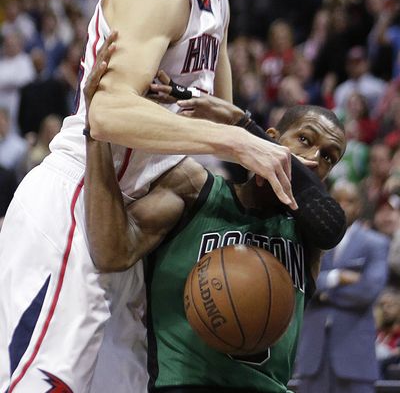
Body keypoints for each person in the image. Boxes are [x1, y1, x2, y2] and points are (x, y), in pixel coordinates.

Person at [0, 0, 302, 393]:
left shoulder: (217, 1)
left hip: (128, 224)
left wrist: (247, 137)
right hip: (74, 201)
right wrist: (231, 137)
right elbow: (108, 113)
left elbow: (217, 114)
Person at [83, 40, 347, 393]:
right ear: (273, 138)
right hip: (184, 384)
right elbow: (111, 251)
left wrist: (240, 122)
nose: (315, 159)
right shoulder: (194, 187)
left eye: (330, 157)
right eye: (304, 139)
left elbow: (329, 222)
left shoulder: (311, 232)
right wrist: (96, 130)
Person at [295, 179, 390, 393]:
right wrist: (336, 278)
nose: (343, 205)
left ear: (359, 205)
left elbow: (367, 291)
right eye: (337, 200)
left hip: (354, 356)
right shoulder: (309, 240)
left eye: (350, 201)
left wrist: (322, 295)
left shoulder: (376, 243)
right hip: (313, 356)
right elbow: (300, 283)